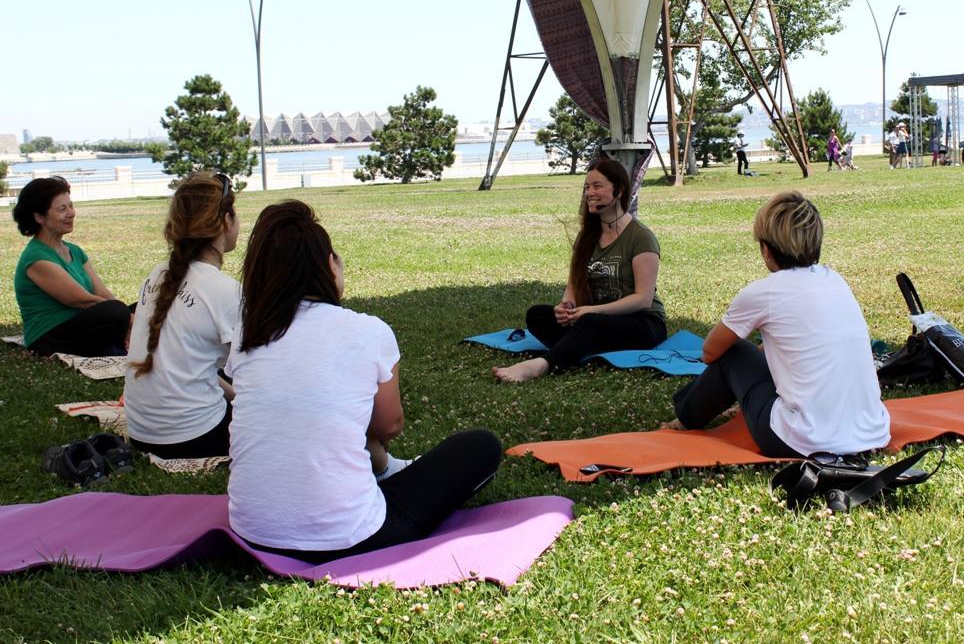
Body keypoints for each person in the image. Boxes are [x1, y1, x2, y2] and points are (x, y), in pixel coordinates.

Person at [226, 200, 501, 562]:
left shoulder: (250, 331)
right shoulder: (367, 330)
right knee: (481, 447)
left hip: (253, 531)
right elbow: (390, 423)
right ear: (329, 266)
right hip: (351, 537)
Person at [663, 191, 890, 458]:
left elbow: (710, 352)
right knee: (762, 352)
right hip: (872, 432)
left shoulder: (763, 292)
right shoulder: (836, 280)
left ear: (766, 250)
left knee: (735, 351)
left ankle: (685, 419)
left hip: (799, 440)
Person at [493, 158, 666, 383]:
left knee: (590, 323)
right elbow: (574, 284)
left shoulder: (641, 237)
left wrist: (592, 312)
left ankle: (541, 365)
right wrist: (567, 307)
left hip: (642, 322)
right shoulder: (587, 237)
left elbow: (643, 299)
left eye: (597, 186)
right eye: (586, 187)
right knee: (537, 315)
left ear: (619, 190)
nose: (589, 193)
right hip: (597, 320)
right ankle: (581, 343)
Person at [123, 173, 240, 459]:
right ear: (226, 221)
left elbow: (194, 369)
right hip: (196, 435)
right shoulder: (224, 291)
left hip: (143, 434)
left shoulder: (157, 274)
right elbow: (261, 374)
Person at [11, 176, 131, 357]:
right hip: (50, 338)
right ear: (39, 217)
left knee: (145, 306)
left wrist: (130, 317)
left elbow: (103, 294)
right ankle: (118, 345)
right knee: (117, 311)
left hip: (81, 326)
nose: (71, 213)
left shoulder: (74, 251)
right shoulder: (37, 257)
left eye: (71, 206)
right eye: (62, 209)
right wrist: (130, 319)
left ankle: (117, 343)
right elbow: (83, 301)